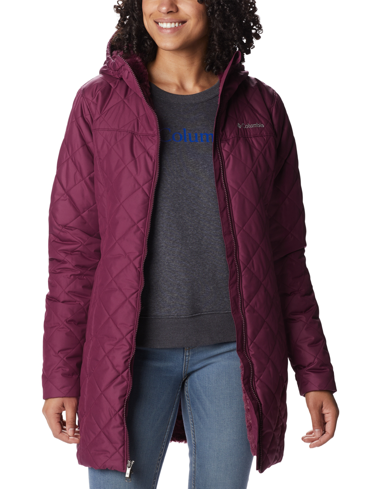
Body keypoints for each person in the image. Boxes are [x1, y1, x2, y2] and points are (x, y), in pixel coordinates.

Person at [41, 0, 339, 488]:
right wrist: (61, 376)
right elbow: (74, 253)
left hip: (234, 356)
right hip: (125, 356)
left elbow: (286, 256)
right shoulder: (98, 105)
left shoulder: (262, 109)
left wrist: (315, 373)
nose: (166, 6)